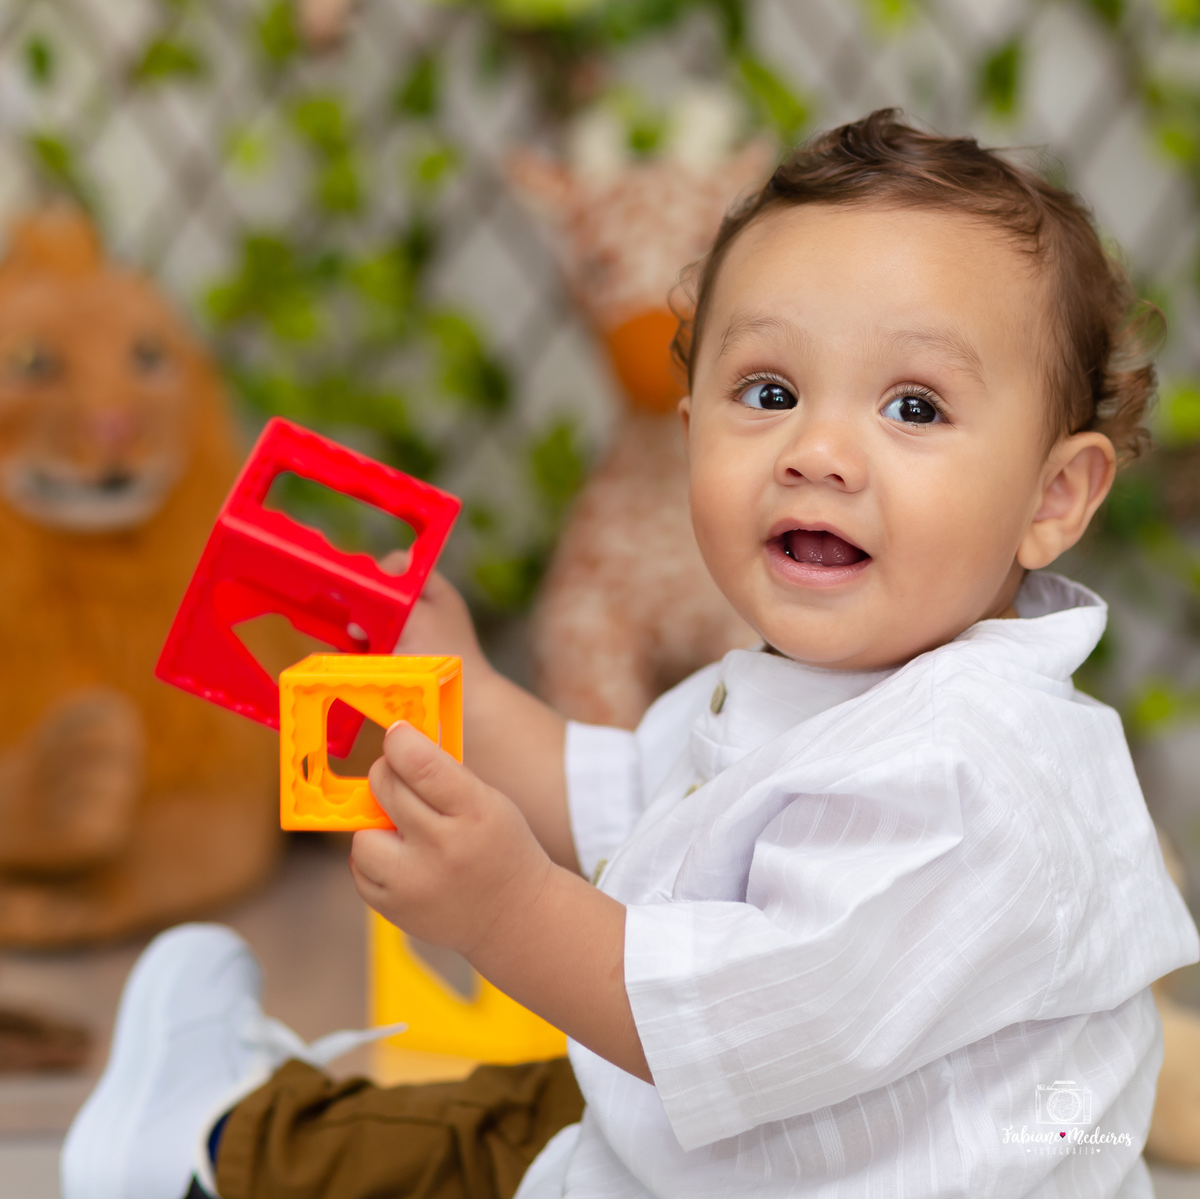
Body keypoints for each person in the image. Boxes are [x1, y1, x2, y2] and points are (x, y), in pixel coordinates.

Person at [63, 109, 1199, 1199]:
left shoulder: (960, 779)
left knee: (505, 1133)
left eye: (913, 407)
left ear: (1053, 497)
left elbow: (725, 1023)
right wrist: (472, 697)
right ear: (692, 431)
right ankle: (240, 1133)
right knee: (546, 1104)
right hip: (768, 1152)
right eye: (770, 392)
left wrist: (507, 911)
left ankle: (211, 1148)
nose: (818, 451)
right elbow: (628, 800)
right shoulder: (827, 689)